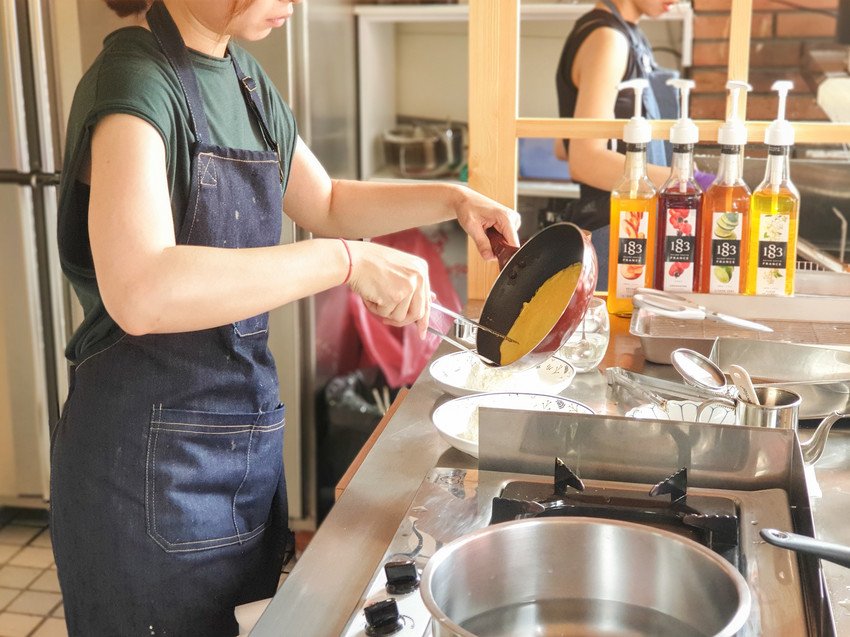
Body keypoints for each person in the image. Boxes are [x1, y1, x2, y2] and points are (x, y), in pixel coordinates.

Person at [50, 1, 521, 635]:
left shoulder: (242, 76)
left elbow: (325, 200)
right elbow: (142, 290)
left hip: (238, 457)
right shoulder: (134, 82)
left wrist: (453, 199)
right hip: (146, 478)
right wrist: (345, 261)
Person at [553, 0, 712, 283]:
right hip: (614, 237)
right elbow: (584, 160)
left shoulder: (629, 35)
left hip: (633, 231)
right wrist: (689, 182)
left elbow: (562, 147)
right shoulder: (608, 39)